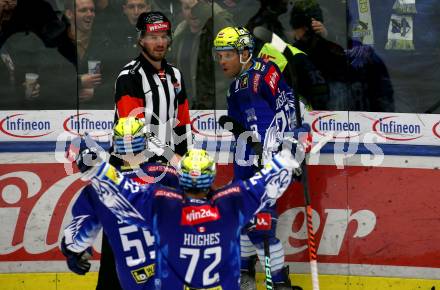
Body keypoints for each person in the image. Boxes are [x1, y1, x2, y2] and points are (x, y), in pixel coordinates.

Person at [66, 131, 306, 289]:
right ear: (211, 175)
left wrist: (96, 167)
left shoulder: (162, 204)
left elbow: (119, 189)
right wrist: (289, 157)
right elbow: (265, 184)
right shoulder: (230, 203)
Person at [213, 26, 302, 289]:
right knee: (242, 219)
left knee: (261, 227)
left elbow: (287, 109)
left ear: (244, 53)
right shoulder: (235, 87)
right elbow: (243, 129)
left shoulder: (263, 73)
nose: (221, 61)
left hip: (267, 163)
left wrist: (292, 149)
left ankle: (278, 280)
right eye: (218, 56)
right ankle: (245, 270)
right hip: (247, 163)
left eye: (227, 54)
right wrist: (236, 127)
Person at [60, 117, 180, 290]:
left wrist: (72, 253)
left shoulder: (96, 191)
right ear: (146, 143)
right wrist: (165, 151)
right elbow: (201, 185)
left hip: (134, 280)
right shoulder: (167, 175)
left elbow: (77, 240)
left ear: (115, 145)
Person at [114, 11, 192, 158]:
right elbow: (133, 131)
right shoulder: (130, 77)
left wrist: (186, 159)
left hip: (169, 167)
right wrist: (171, 156)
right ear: (141, 40)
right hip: (134, 165)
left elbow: (183, 125)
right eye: (153, 37)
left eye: (164, 37)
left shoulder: (175, 75)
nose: (160, 43)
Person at [169, 0, 234, 109]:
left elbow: (228, 35)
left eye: (197, 8)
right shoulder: (180, 34)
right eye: (187, 8)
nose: (193, 13)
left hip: (219, 108)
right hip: (190, 109)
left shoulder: (218, 28)